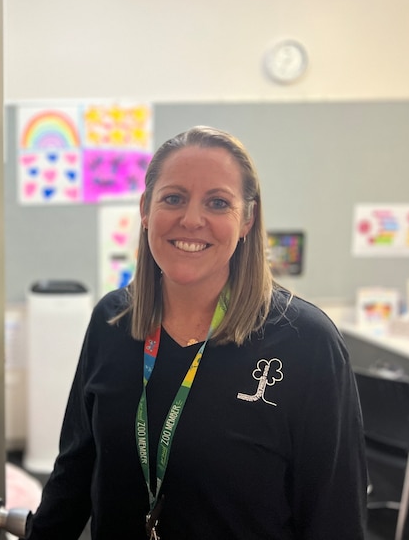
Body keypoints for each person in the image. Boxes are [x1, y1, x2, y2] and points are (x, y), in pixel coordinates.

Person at [26, 126, 368, 539]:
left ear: (247, 219)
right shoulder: (113, 321)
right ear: (145, 210)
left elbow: (335, 517)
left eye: (218, 203)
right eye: (173, 198)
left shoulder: (307, 343)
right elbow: (74, 473)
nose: (191, 220)